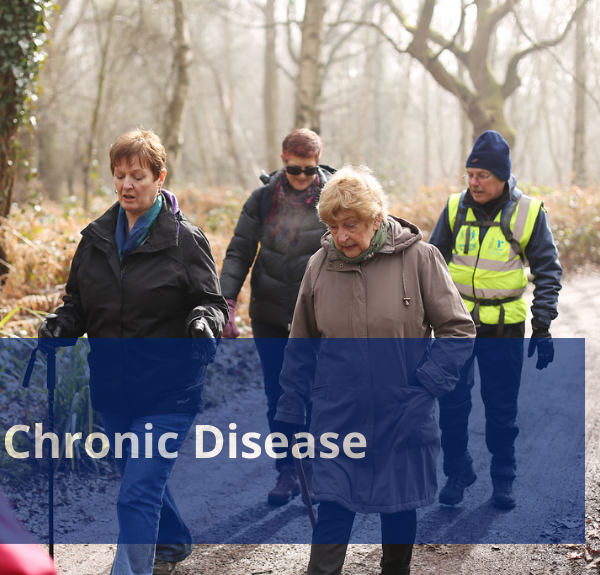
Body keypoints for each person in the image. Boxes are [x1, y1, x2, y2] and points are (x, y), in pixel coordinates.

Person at [37, 129, 228, 575]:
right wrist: (59, 328)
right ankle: (174, 540)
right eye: (120, 175)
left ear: (160, 178)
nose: (127, 185)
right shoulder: (96, 239)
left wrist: (203, 322)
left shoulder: (184, 240)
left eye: (138, 175)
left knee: (136, 492)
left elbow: (213, 302)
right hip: (114, 387)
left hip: (170, 389)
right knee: (141, 480)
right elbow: (78, 306)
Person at [274, 165, 476, 575]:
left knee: (397, 510)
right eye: (333, 226)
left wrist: (425, 390)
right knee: (332, 508)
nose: (341, 236)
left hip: (403, 411)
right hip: (339, 414)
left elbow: (458, 330)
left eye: (351, 224)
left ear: (377, 219)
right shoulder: (319, 265)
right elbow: (301, 344)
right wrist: (291, 406)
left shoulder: (420, 259)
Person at [429, 130, 562, 509]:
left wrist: (543, 325)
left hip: (504, 328)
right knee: (452, 405)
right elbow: (431, 264)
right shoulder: (455, 208)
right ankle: (458, 471)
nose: (474, 182)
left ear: (502, 176)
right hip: (456, 326)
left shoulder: (528, 213)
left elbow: (548, 271)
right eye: (470, 174)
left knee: (501, 409)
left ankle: (503, 478)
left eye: (482, 175)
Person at [219, 128, 336, 505]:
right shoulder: (263, 198)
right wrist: (227, 303)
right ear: (283, 160)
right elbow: (239, 251)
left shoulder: (334, 198)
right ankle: (287, 470)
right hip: (269, 312)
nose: (302, 177)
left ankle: (315, 468)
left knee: (318, 393)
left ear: (318, 163)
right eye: (295, 168)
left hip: (318, 315)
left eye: (309, 169)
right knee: (278, 394)